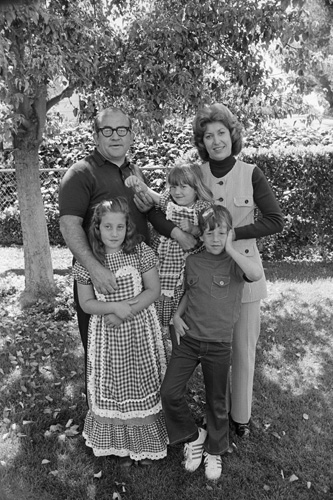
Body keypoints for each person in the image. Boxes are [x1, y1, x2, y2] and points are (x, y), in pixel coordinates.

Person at [58, 106, 198, 358]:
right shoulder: (80, 173)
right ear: (96, 136)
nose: (115, 136)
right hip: (104, 282)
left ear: (131, 135)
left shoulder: (135, 172)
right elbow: (69, 226)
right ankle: (99, 398)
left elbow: (152, 213)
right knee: (102, 355)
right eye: (107, 130)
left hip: (140, 279)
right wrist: (94, 269)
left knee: (139, 352)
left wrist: (175, 229)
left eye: (122, 130)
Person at [192, 103, 284, 437]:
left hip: (244, 274)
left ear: (232, 135)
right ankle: (216, 412)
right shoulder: (196, 174)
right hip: (205, 278)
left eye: (221, 133)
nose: (215, 140)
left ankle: (240, 417)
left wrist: (235, 234)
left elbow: (275, 220)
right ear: (202, 142)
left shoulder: (251, 173)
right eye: (208, 135)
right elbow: (173, 210)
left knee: (243, 349)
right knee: (212, 351)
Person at [160, 204, 263, 481]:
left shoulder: (235, 262)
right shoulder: (193, 261)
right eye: (210, 233)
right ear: (201, 236)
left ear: (230, 234)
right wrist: (176, 317)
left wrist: (231, 250)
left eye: (222, 233)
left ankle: (215, 450)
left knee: (217, 401)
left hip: (218, 344)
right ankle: (194, 437)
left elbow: (256, 275)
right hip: (188, 338)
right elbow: (189, 292)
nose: (215, 239)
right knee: (169, 392)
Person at [73, 196, 168, 464]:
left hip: (139, 329)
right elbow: (86, 303)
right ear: (97, 228)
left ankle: (145, 441)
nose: (114, 233)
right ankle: (115, 442)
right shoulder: (88, 262)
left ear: (128, 228)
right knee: (112, 380)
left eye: (120, 227)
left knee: (141, 377)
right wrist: (114, 309)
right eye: (107, 227)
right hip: (107, 335)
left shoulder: (140, 252)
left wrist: (127, 310)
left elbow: (153, 290)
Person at [125, 162, 213, 348]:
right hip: (163, 265)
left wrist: (194, 229)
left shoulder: (204, 207)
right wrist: (139, 185)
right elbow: (153, 196)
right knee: (159, 302)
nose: (177, 192)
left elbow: (212, 230)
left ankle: (183, 349)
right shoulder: (169, 203)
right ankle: (160, 348)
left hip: (187, 268)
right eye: (173, 186)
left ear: (196, 188)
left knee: (183, 307)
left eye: (183, 186)